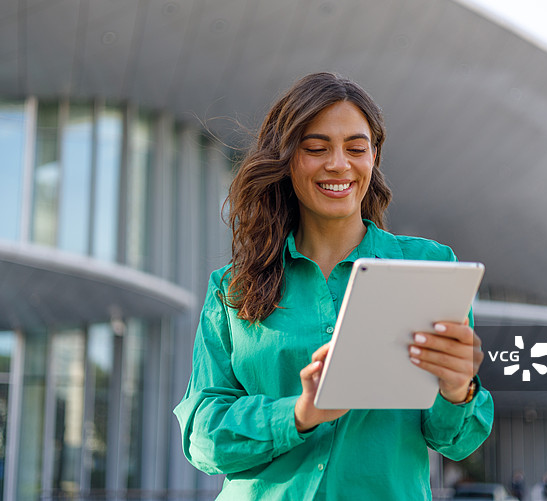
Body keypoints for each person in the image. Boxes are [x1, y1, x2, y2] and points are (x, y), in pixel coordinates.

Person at [173, 72, 494, 499]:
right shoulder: (231, 289)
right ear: (288, 158)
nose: (339, 164)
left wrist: (458, 390)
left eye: (356, 148)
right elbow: (201, 436)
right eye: (316, 148)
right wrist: (300, 413)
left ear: (374, 157)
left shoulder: (429, 267)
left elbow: (457, 440)